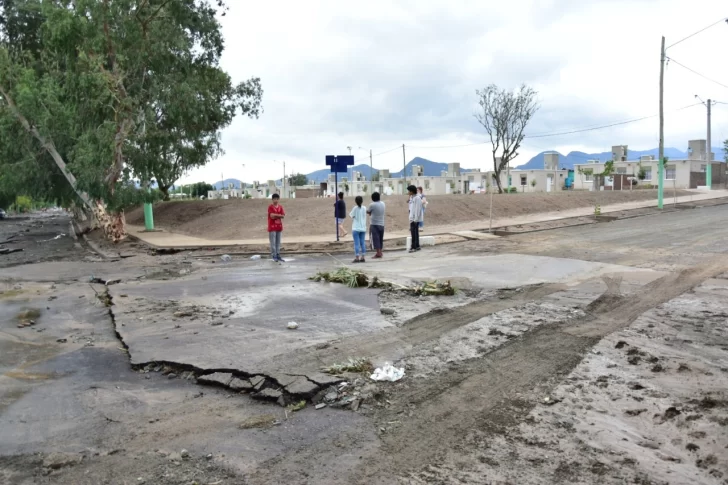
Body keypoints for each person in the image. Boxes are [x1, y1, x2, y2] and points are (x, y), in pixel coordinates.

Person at [267, 193, 285, 262]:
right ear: (272, 199)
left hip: (279, 227)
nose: (275, 200)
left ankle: (278, 254)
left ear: (278, 199)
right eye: (274, 199)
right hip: (272, 227)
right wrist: (279, 215)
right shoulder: (270, 207)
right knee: (273, 242)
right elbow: (271, 216)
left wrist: (276, 215)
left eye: (277, 199)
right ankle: (274, 255)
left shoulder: (280, 207)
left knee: (278, 242)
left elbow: (283, 215)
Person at [367, 191, 385, 259]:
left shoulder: (372, 205)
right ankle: (380, 251)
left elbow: (369, 212)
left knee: (375, 239)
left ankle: (378, 253)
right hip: (382, 223)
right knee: (380, 238)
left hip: (374, 224)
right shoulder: (383, 203)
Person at [350, 195, 367, 263]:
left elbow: (351, 215)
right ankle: (363, 257)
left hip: (356, 228)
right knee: (362, 242)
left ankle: (357, 257)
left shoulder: (355, 208)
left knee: (356, 243)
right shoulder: (364, 208)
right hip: (363, 228)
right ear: (362, 201)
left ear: (356, 201)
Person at [407, 185, 423, 253]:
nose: (408, 192)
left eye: (409, 191)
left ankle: (414, 247)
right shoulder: (412, 198)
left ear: (412, 191)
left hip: (415, 219)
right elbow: (411, 208)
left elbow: (417, 209)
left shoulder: (417, 198)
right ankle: (417, 245)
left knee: (414, 233)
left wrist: (415, 219)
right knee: (415, 232)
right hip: (412, 218)